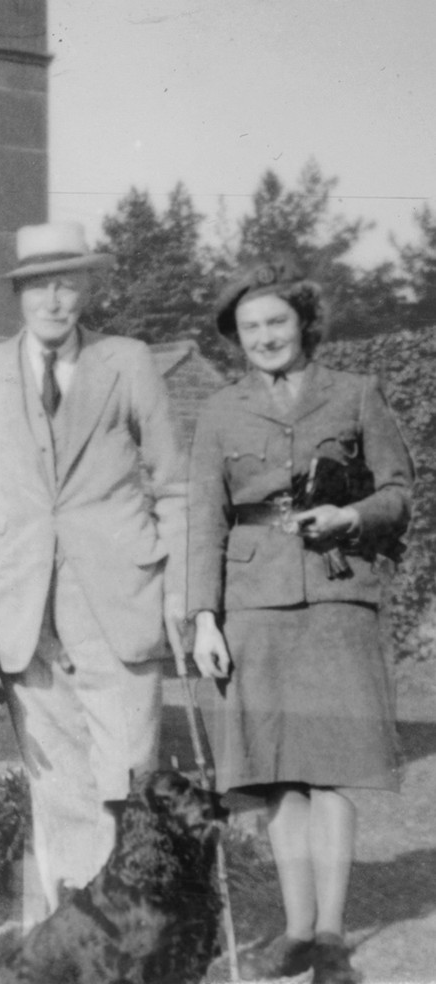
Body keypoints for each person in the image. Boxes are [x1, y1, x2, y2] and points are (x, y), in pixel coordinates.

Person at [188, 258, 412, 984]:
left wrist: (351, 515)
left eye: (276, 321)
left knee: (333, 771)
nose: (264, 337)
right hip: (254, 607)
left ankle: (332, 937)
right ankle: (295, 931)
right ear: (236, 337)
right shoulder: (219, 410)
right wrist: (203, 618)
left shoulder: (356, 392)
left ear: (304, 322)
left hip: (339, 597)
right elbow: (205, 519)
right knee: (279, 774)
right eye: (249, 327)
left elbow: (401, 491)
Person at [0, 221, 188, 914]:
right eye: (38, 287)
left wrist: (179, 590)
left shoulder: (128, 360)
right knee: (56, 783)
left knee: (129, 777)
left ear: (88, 288)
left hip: (119, 599)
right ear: (18, 295)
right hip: (23, 606)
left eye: (67, 284)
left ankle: (131, 928)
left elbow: (175, 483)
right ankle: (71, 931)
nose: (53, 300)